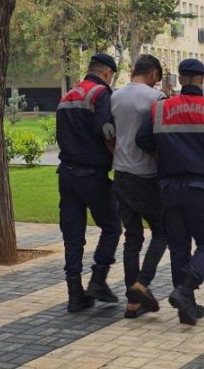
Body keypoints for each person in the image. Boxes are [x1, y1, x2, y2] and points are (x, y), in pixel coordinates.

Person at [136, 58, 204, 326]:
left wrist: (164, 153)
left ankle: (187, 307)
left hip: (169, 188)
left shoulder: (160, 108)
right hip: (201, 188)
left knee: (179, 247)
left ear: (179, 78)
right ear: (202, 80)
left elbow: (142, 139)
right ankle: (185, 291)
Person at [56, 53, 123, 313]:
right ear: (107, 73)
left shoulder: (68, 96)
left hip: (67, 174)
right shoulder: (100, 94)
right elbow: (107, 130)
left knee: (73, 236)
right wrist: (118, 157)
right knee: (112, 226)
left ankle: (75, 294)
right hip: (92, 174)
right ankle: (98, 279)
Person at [110, 54, 168, 319]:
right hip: (146, 175)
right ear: (154, 74)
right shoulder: (156, 98)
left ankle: (132, 303)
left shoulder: (114, 96)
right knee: (162, 232)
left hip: (120, 173)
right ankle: (141, 284)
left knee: (132, 237)